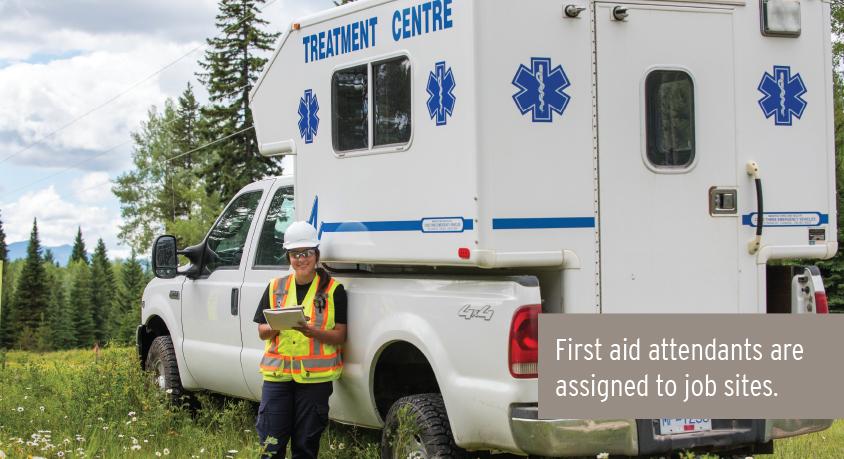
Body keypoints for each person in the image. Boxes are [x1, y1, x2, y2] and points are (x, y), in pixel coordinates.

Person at [253, 221, 347, 458]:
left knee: (305, 447)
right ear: (289, 257)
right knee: (270, 445)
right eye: (295, 254)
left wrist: (312, 332)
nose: (300, 259)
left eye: (306, 253)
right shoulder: (275, 287)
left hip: (315, 380)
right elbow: (262, 331)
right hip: (277, 377)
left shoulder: (334, 290)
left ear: (316, 255)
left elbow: (340, 335)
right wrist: (278, 325)